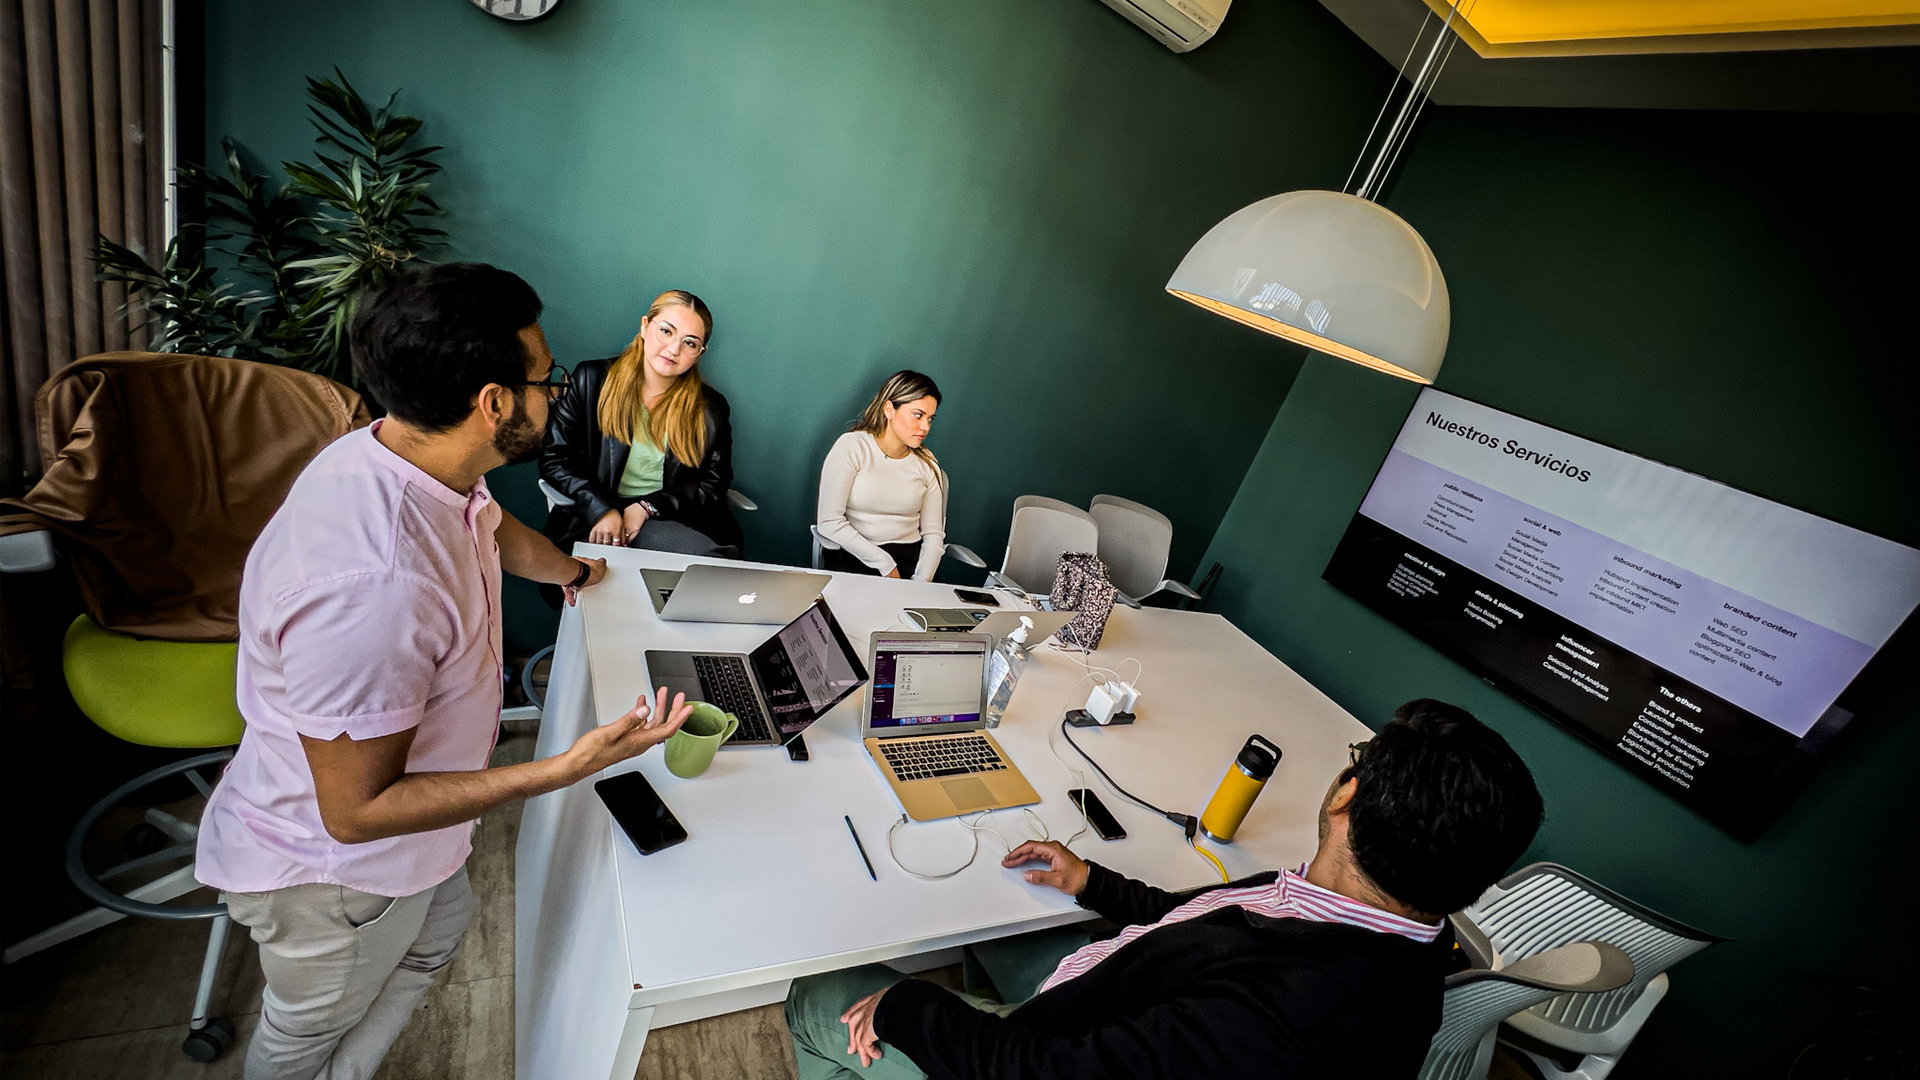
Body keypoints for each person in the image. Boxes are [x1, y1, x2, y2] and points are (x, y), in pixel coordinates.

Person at [195, 263, 694, 1080]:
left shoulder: (403, 455)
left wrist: (576, 574)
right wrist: (564, 768)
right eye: (545, 378)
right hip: (337, 878)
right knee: (301, 1048)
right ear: (495, 404)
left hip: (412, 854)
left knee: (435, 941)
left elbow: (491, 529)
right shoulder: (376, 586)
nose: (555, 392)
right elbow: (356, 812)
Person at [785, 698, 1545, 1080]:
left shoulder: (1297, 1023)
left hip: (1053, 1051)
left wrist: (907, 1004)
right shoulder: (1368, 914)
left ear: (1346, 797)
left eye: (1358, 758)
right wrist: (1095, 883)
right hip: (1128, 990)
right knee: (1017, 917)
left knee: (819, 993)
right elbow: (1215, 921)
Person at [539, 289, 742, 568]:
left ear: (700, 353)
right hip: (595, 516)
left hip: (670, 518)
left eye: (690, 343)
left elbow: (713, 484)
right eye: (666, 331)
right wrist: (602, 508)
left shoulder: (710, 407)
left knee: (711, 568)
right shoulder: (591, 379)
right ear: (645, 326)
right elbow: (555, 458)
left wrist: (647, 508)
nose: (674, 349)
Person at [815, 370, 948, 581]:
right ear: (889, 409)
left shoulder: (927, 462)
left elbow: (933, 535)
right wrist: (884, 564)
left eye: (930, 419)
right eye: (918, 415)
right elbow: (829, 522)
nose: (925, 427)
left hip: (911, 562)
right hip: (855, 555)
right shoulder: (852, 446)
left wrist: (922, 580)